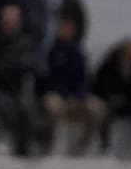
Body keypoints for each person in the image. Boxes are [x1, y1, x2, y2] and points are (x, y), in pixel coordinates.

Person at [0, 3, 42, 154]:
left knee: (25, 107)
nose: (9, 25)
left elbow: (28, 68)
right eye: (6, 22)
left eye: (13, 22)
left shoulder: (26, 44)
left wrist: (7, 67)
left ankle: (25, 145)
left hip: (18, 92)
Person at [38, 16, 98, 156]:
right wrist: (66, 97)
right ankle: (50, 146)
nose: (66, 31)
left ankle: (82, 148)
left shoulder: (79, 53)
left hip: (76, 97)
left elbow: (84, 79)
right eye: (63, 28)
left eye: (69, 29)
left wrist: (79, 96)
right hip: (56, 94)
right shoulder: (50, 52)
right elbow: (47, 79)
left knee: (97, 109)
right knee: (53, 105)